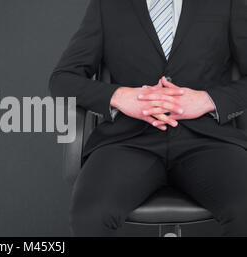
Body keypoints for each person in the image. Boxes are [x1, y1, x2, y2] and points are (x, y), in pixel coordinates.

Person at [49, 0, 247, 236]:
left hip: (208, 139)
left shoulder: (227, 3)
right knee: (90, 214)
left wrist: (208, 100)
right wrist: (119, 96)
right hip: (128, 141)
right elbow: (62, 79)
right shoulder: (107, 6)